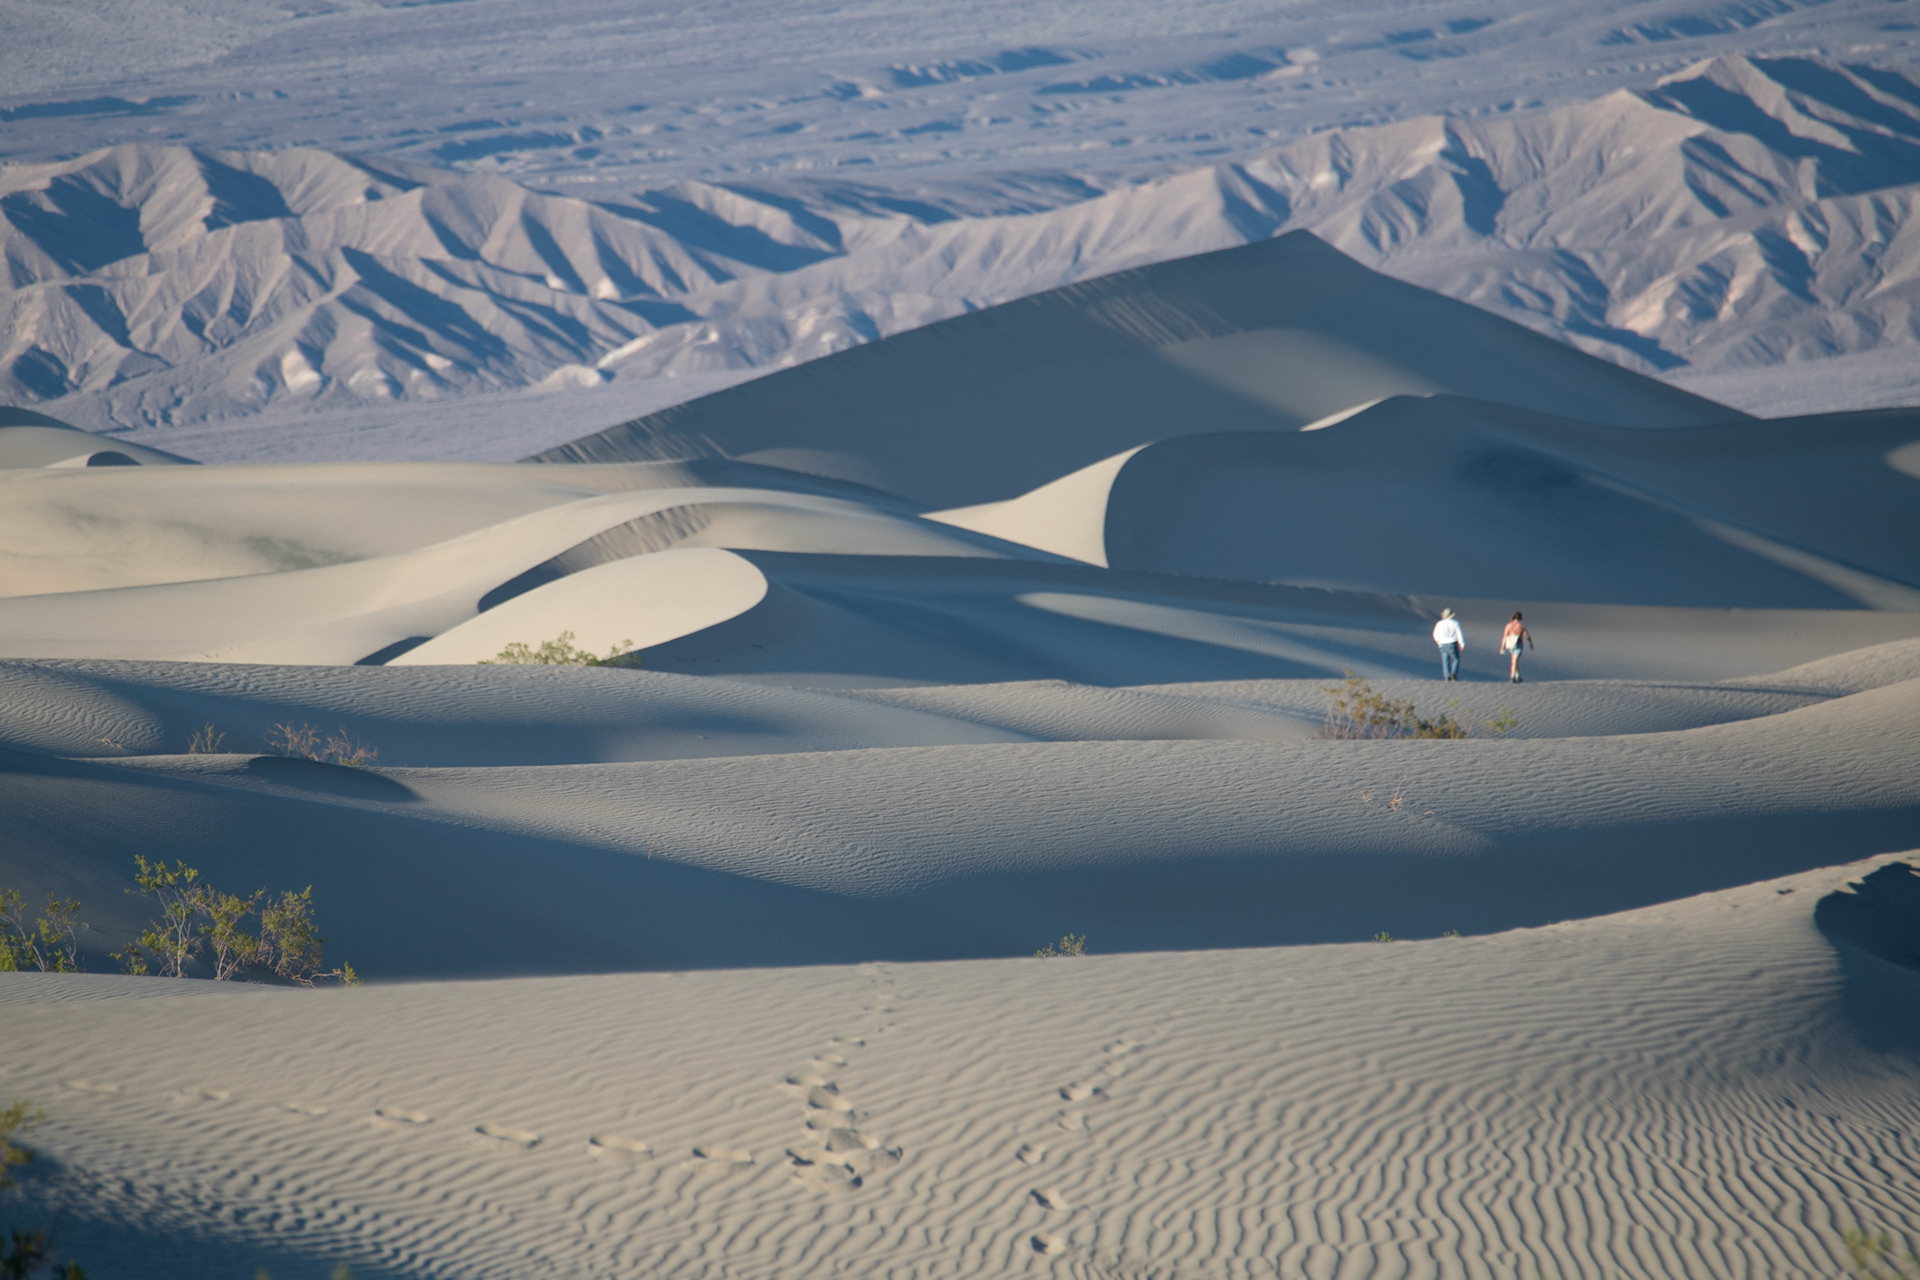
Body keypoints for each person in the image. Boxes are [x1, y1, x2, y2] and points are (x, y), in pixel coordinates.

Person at [1499, 611, 1533, 683]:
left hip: (1511, 645)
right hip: (1518, 645)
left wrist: (1502, 647)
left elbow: (1505, 637)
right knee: (1515, 661)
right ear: (1520, 618)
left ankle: (1517, 675)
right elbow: (1527, 636)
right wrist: (1531, 643)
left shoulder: (1508, 625)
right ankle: (1513, 676)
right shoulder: (1521, 626)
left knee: (1515, 660)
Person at [1432, 608, 1465, 681]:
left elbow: (1435, 634)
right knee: (1456, 659)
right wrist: (1462, 644)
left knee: (1445, 661)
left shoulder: (1439, 623)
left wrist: (1439, 642)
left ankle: (1447, 677)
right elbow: (1459, 634)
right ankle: (1453, 673)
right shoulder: (1455, 623)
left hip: (1443, 644)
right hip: (1452, 643)